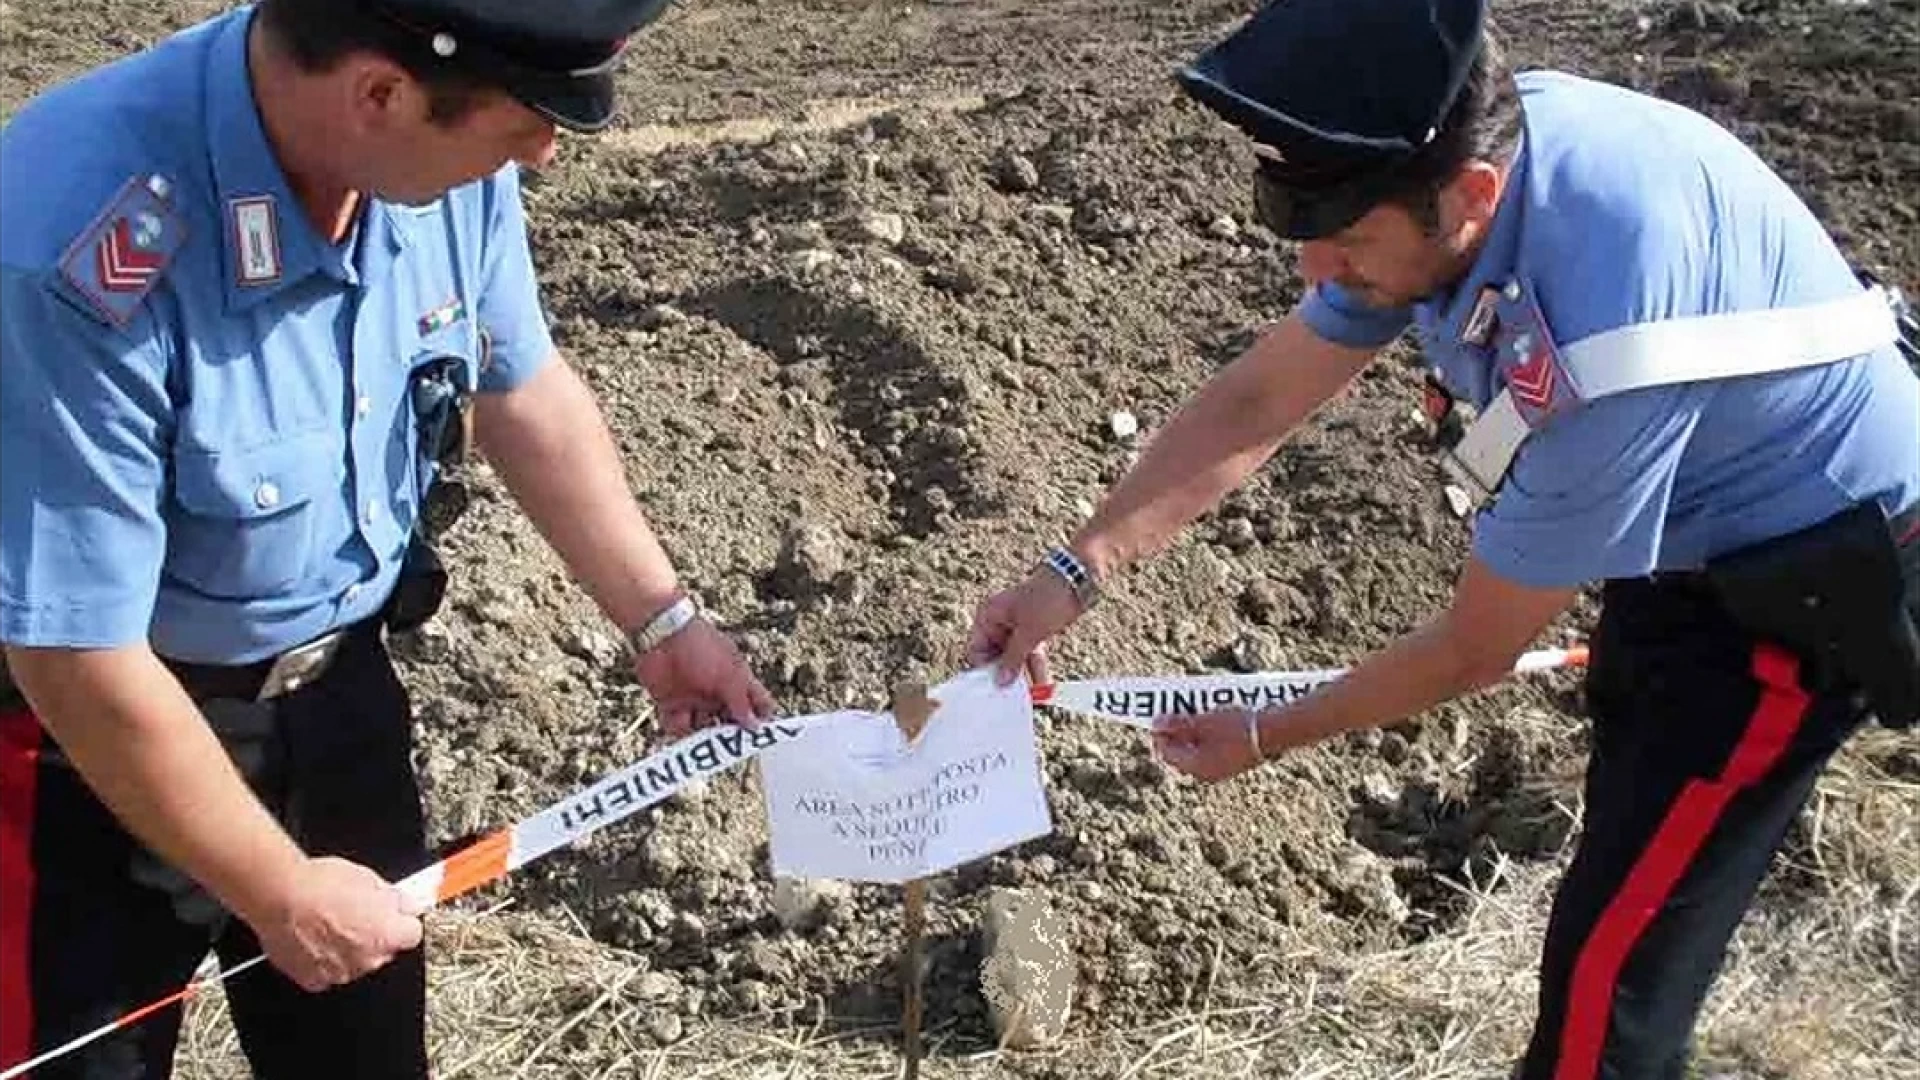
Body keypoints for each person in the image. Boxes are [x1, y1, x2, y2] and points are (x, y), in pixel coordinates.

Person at [966, 1, 1920, 1076]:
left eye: (1348, 240)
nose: (1317, 273)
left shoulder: (1607, 335)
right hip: (1687, 530)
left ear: (1470, 199)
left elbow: (1477, 650)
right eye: (1305, 230)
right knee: (1624, 830)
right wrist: (1074, 568)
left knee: (1615, 981)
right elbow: (1259, 399)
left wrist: (1269, 733)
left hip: (1800, 592)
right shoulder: (1453, 167)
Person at [0, 1, 776, 1075]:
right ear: (378, 94)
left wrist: (662, 618)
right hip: (89, 757)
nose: (545, 151)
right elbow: (73, 650)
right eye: (523, 123)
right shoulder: (73, 243)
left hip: (334, 704)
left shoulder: (435, 156)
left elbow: (520, 388)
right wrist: (276, 893)